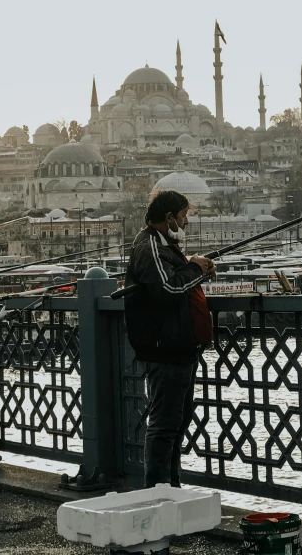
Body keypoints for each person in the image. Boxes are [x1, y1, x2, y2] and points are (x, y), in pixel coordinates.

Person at [124, 190, 215, 488]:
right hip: (165, 350)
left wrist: (198, 271)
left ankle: (171, 487)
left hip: (180, 348)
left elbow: (178, 282)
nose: (186, 222)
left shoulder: (165, 245)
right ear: (168, 217)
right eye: (183, 215)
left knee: (178, 422)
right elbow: (167, 289)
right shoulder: (148, 245)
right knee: (164, 425)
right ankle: (158, 491)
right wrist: (194, 268)